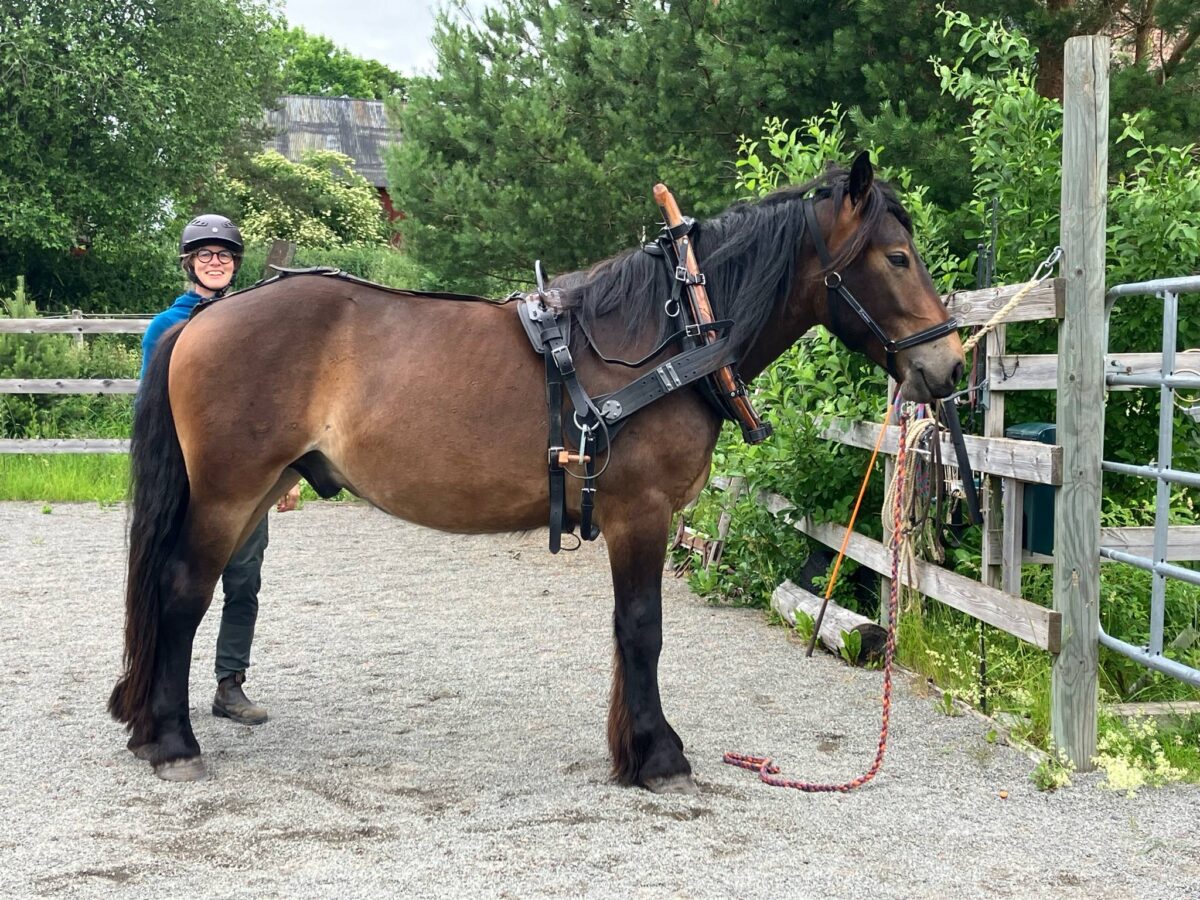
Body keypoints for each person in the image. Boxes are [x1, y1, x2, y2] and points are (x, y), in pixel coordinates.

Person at [138, 213, 300, 726]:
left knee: (244, 583)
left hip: (248, 478)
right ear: (189, 263)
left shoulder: (254, 327)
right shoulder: (168, 326)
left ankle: (229, 684)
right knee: (179, 580)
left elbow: (279, 411)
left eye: (225, 255)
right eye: (206, 255)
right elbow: (151, 408)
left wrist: (286, 474)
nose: (216, 262)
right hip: (186, 479)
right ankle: (163, 688)